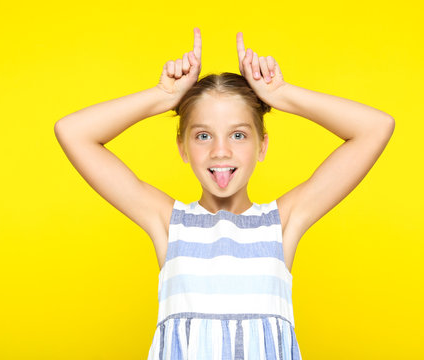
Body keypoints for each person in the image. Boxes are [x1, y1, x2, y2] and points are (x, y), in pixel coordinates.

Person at [54, 27, 394, 359]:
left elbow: (375, 127)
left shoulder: (282, 223)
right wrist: (162, 95)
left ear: (262, 146)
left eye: (238, 135)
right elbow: (73, 132)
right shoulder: (168, 223)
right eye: (203, 136)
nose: (220, 151)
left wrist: (281, 94)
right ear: (182, 147)